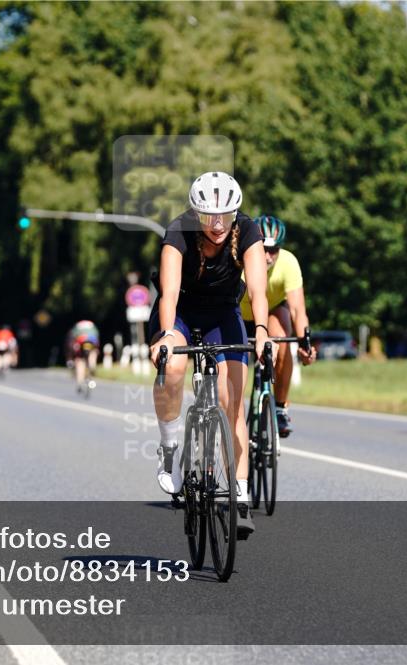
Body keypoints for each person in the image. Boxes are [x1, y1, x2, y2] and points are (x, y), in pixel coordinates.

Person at [147, 171, 270, 539]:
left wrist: (261, 331)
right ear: (195, 213)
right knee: (174, 369)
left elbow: (258, 293)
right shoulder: (179, 231)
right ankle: (169, 448)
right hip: (180, 312)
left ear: (236, 214)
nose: (217, 225)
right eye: (208, 217)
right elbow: (168, 293)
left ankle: (240, 493)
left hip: (223, 314)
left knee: (229, 400)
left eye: (225, 217)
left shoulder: (248, 231)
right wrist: (167, 335)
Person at [239, 215, 314, 438]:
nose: (269, 256)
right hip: (240, 314)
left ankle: (280, 407)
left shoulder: (288, 263)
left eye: (275, 249)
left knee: (281, 340)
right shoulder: (241, 261)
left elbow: (297, 309)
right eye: (264, 248)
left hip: (270, 310)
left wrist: (305, 344)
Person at [67, 319, 100, 393]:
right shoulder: (92, 325)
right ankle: (92, 366)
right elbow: (97, 337)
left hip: (80, 340)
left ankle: (79, 382)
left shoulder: (77, 327)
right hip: (92, 339)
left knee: (80, 361)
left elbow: (72, 339)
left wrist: (73, 351)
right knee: (93, 352)